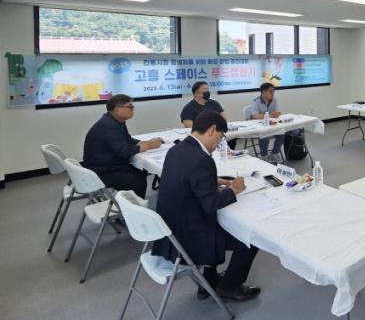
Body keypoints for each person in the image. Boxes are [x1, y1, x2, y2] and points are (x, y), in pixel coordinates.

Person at [151, 111, 260, 303]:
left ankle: (208, 280)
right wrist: (234, 189)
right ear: (212, 130)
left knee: (221, 223)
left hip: (171, 230)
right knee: (250, 238)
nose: (219, 143)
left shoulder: (177, 150)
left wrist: (213, 180)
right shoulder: (202, 159)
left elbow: (187, 179)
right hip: (190, 237)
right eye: (221, 137)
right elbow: (211, 203)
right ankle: (229, 287)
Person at [83, 94, 162, 198]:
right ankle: (133, 206)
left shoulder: (115, 121)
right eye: (130, 107)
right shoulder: (109, 126)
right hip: (101, 172)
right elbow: (124, 151)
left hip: (109, 165)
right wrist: (149, 145)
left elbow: (127, 139)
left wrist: (143, 142)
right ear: (117, 109)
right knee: (137, 181)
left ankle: (134, 200)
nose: (133, 109)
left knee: (141, 170)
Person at [181, 81, 236, 149]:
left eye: (208, 89)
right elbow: (190, 128)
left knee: (232, 139)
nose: (207, 92)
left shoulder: (214, 103)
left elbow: (223, 119)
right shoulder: (188, 108)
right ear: (196, 94)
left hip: (217, 132)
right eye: (205, 90)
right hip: (202, 137)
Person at [250, 82, 285, 161]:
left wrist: (277, 114)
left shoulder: (274, 100)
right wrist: (270, 115)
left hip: (271, 125)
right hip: (259, 126)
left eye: (273, 92)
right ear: (263, 91)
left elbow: (276, 113)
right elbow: (254, 116)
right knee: (264, 135)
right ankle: (264, 156)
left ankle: (274, 153)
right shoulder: (256, 101)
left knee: (282, 133)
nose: (273, 94)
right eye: (270, 91)